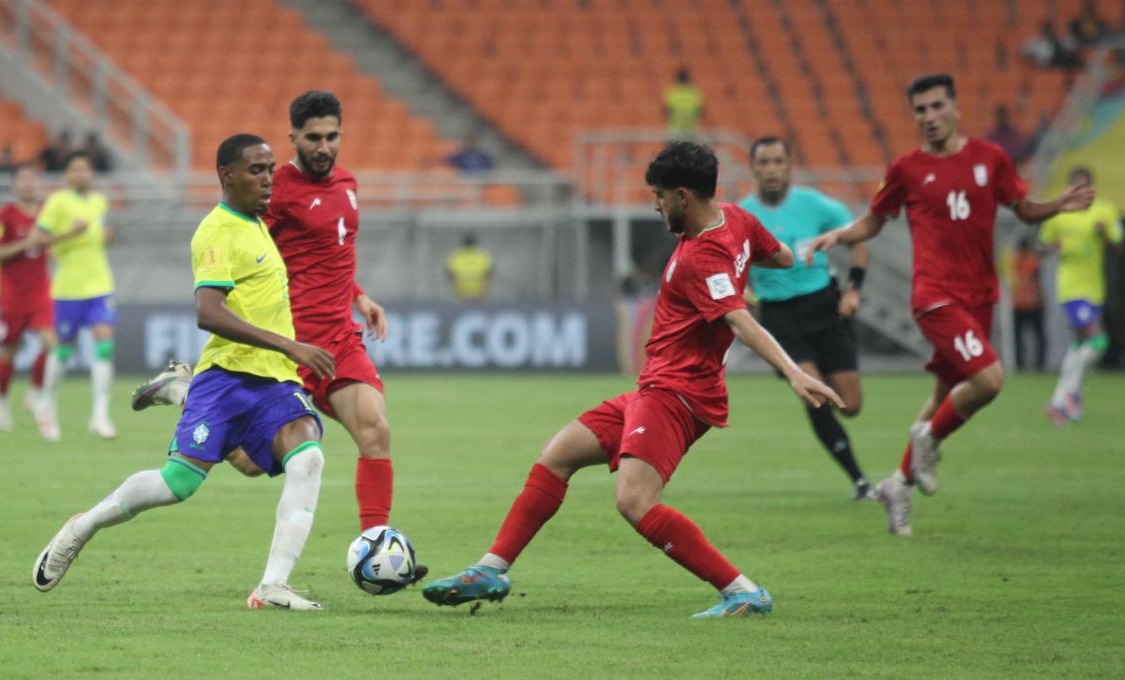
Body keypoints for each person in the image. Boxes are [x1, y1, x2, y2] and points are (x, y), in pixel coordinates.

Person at [422, 141, 843, 618]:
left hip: (678, 393)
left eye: (659, 195)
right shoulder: (737, 221)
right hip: (657, 388)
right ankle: (491, 569)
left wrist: (792, 372)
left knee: (636, 502)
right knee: (557, 455)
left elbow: (739, 321)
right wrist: (743, 261)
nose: (655, 204)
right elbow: (783, 257)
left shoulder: (702, 256)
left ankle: (742, 591)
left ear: (683, 196)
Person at [31, 133, 335, 610]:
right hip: (229, 376)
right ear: (226, 175)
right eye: (256, 169)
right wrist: (290, 344)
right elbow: (208, 312)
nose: (267, 179)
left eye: (271, 169)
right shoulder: (216, 231)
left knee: (305, 458)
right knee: (179, 485)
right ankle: (82, 527)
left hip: (275, 379)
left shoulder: (258, 224)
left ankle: (272, 585)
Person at [806, 74, 1094, 537]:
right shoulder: (906, 169)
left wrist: (1057, 204)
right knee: (989, 379)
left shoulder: (990, 159)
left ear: (956, 107)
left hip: (981, 296)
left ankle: (898, 484)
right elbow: (875, 221)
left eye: (936, 106)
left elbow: (1021, 208)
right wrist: (840, 235)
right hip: (935, 296)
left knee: (944, 396)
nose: (929, 117)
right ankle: (929, 439)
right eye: (920, 110)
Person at [133, 92, 414, 548]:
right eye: (313, 138)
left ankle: (375, 545)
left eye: (332, 136)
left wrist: (359, 296)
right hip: (284, 346)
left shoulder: (347, 183)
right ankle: (186, 391)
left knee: (376, 430)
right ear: (294, 138)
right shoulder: (274, 187)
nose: (324, 146)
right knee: (247, 462)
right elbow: (251, 249)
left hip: (338, 340)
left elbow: (329, 253)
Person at [739, 136, 875, 500]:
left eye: (777, 162)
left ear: (789, 166)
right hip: (780, 318)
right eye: (764, 162)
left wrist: (853, 289)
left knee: (851, 405)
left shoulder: (815, 205)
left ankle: (859, 479)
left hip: (825, 309)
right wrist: (741, 292)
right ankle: (860, 481)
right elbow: (725, 261)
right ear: (753, 168)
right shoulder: (742, 215)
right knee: (814, 395)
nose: (771, 169)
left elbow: (859, 235)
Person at [33, 151, 117, 440]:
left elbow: (99, 238)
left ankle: (100, 415)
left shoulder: (99, 202)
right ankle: (46, 403)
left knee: (104, 346)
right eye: (74, 169)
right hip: (68, 288)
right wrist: (68, 233)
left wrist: (108, 237)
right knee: (64, 350)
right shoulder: (57, 202)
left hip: (100, 285)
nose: (80, 174)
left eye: (84, 169)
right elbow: (37, 240)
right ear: (66, 174)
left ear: (92, 173)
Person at [1040, 166, 1122, 425]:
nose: (1081, 192)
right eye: (1076, 188)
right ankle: (1072, 394)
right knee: (1098, 340)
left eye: (1085, 187)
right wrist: (1052, 246)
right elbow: (1042, 245)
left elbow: (1119, 245)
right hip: (1071, 287)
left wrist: (1103, 235)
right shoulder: (1059, 215)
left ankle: (1057, 402)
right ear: (1069, 189)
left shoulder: (1105, 211)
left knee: (1078, 345)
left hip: (1094, 288)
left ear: (1092, 188)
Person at [0, 166, 56, 433]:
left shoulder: (45, 215)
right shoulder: (4, 216)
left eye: (32, 179)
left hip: (41, 292)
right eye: (22, 180)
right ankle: (2, 402)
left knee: (52, 344)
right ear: (14, 185)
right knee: (8, 352)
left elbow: (50, 242)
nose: (28, 185)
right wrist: (26, 242)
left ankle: (35, 392)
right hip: (12, 296)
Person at [1010, 237, 1046, 372]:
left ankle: (1021, 362)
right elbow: (1038, 280)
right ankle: (1038, 363)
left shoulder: (1014, 261)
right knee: (1037, 335)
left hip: (1019, 303)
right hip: (1032, 303)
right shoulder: (1032, 261)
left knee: (1020, 336)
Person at [445, 234, 494, 300]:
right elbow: (489, 276)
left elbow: (451, 276)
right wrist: (484, 292)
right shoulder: (482, 255)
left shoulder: (456, 256)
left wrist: (457, 292)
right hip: (480, 294)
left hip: (461, 293)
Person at [663, 68, 704, 139]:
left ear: (677, 79)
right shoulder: (695, 93)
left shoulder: (671, 93)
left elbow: (666, 112)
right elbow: (701, 112)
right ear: (688, 79)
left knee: (675, 149)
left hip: (675, 131)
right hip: (691, 131)